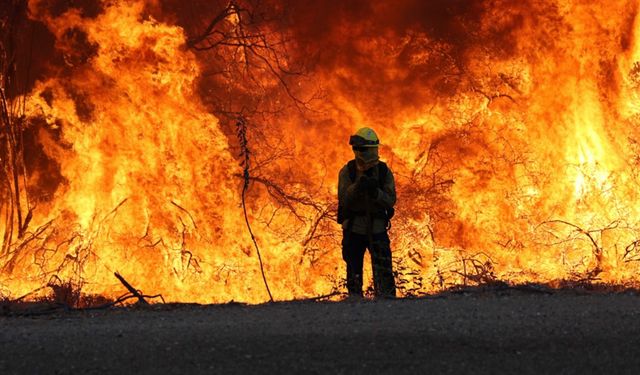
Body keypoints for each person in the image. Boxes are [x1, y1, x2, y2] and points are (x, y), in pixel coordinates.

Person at [337, 127, 396, 298]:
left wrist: (376, 193)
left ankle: (388, 303)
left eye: (372, 149)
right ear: (357, 150)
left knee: (384, 271)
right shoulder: (348, 171)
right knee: (354, 273)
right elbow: (344, 199)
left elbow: (391, 199)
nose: (370, 153)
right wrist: (357, 187)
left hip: (377, 229)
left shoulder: (384, 171)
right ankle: (355, 304)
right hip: (354, 229)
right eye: (366, 150)